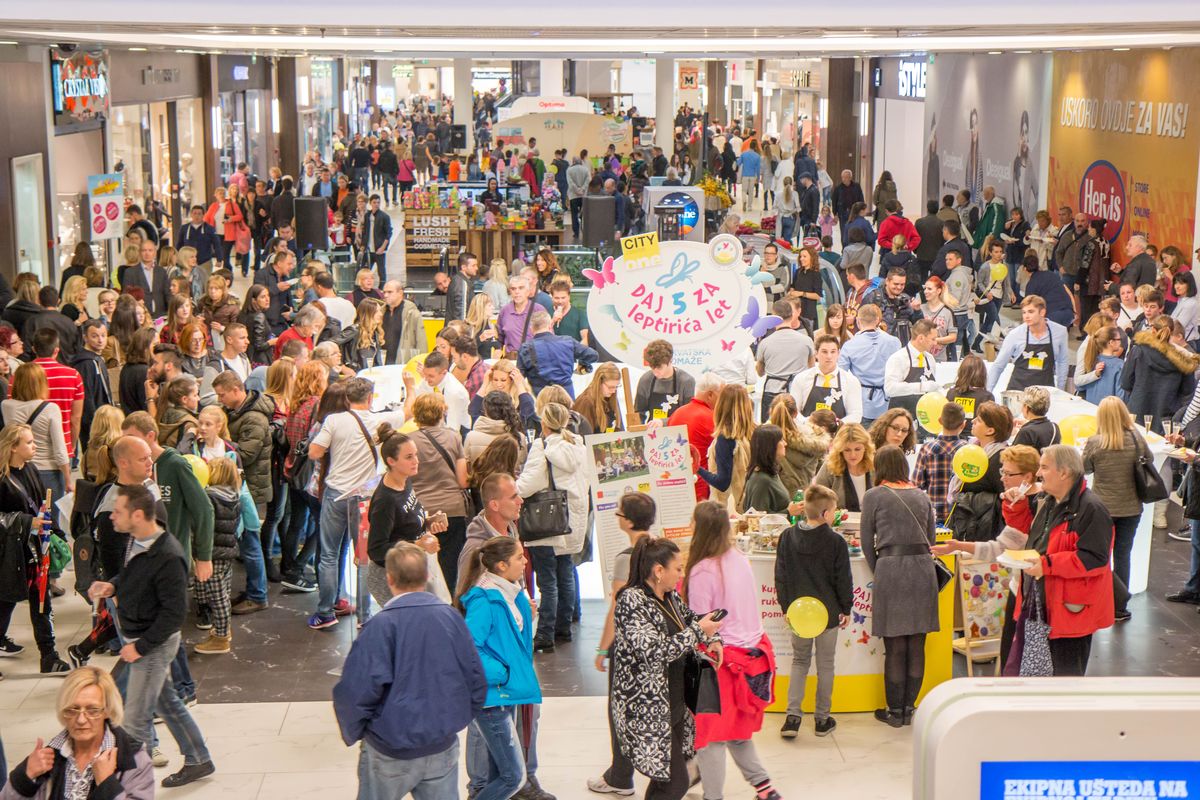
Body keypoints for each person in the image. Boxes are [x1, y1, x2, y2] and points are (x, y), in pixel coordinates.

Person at [333, 541, 487, 800]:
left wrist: (361, 732)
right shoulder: (451, 618)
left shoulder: (380, 626)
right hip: (441, 745)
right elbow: (475, 678)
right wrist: (453, 721)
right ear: (427, 576)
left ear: (389, 579)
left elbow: (355, 690)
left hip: (389, 748)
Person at [86, 484, 216, 787]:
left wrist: (140, 648)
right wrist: (113, 586)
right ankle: (199, 758)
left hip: (153, 644)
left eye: (118, 511)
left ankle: (132, 787)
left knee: (135, 721)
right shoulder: (138, 540)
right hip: (141, 638)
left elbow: (174, 614)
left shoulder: (169, 556)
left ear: (138, 515)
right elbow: (133, 575)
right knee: (166, 701)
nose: (112, 516)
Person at [610, 537, 723, 800]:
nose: (681, 575)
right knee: (676, 782)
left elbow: (691, 620)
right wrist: (699, 632)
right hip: (645, 709)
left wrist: (713, 637)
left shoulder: (669, 597)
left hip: (673, 703)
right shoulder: (631, 601)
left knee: (666, 781)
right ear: (659, 570)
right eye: (678, 569)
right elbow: (653, 652)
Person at [682, 501, 779, 800]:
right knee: (736, 731)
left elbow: (702, 626)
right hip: (754, 657)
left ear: (700, 528)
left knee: (709, 737)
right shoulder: (739, 558)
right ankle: (765, 789)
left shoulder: (702, 570)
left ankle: (713, 796)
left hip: (721, 662)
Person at [1007, 446, 1115, 676]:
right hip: (1041, 602)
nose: (1038, 473)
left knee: (1065, 681)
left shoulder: (1092, 509)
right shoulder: (1048, 500)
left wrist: (1047, 565)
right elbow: (1031, 535)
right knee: (1035, 675)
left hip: (1070, 612)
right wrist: (1015, 507)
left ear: (1064, 472)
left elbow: (1094, 559)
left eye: (1044, 467)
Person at [307, 377, 403, 629]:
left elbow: (314, 452)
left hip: (335, 494)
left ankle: (325, 612)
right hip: (365, 499)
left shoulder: (334, 420)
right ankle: (364, 616)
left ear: (347, 398)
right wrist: (411, 386)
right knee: (363, 558)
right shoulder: (381, 421)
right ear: (370, 398)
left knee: (329, 554)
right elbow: (411, 409)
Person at [456, 536, 541, 800]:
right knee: (513, 776)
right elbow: (469, 647)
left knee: (498, 772)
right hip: (493, 696)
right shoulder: (485, 600)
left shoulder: (509, 593)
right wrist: (501, 673)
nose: (524, 561)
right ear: (502, 565)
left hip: (505, 692)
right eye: (519, 557)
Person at [860, 444, 939, 727]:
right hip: (922, 570)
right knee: (917, 643)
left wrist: (881, 568)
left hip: (891, 568)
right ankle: (909, 709)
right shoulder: (921, 495)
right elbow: (931, 539)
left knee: (894, 645)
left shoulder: (873, 496)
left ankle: (894, 712)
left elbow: (866, 541)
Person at [0, 666, 154, 800]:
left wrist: (107, 785)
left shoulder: (134, 760)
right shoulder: (49, 758)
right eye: (72, 709)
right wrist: (24, 776)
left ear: (107, 710)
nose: (81, 720)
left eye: (92, 710)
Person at [589, 492, 655, 795]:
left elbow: (617, 610)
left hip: (628, 647)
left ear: (627, 521)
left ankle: (620, 776)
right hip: (656, 643)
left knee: (621, 710)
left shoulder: (625, 559)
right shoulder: (662, 551)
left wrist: (603, 649)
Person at [776, 484, 852, 739]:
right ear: (826, 513)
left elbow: (781, 577)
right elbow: (843, 579)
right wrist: (846, 607)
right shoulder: (836, 541)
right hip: (828, 612)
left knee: (799, 661)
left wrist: (786, 606)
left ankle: (792, 717)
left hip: (798, 613)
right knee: (825, 664)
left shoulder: (787, 537)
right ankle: (822, 719)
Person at [517, 402, 590, 652]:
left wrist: (513, 486)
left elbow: (528, 485)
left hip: (547, 521)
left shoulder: (543, 447)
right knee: (565, 574)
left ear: (544, 423)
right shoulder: (578, 446)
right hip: (572, 521)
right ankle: (563, 629)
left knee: (547, 581)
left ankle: (545, 634)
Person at [0, 424, 70, 673]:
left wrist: (56, 533)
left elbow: (43, 505)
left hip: (36, 548)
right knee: (6, 600)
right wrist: (28, 522)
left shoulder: (30, 469)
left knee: (41, 601)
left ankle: (49, 656)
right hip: (10, 553)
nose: (35, 446)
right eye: (29, 442)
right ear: (13, 447)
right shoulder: (2, 479)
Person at [365, 425, 449, 608]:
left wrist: (428, 522)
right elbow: (376, 549)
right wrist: (417, 544)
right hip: (391, 576)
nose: (416, 461)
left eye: (415, 455)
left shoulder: (404, 481)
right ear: (391, 461)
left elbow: (405, 521)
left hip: (410, 568)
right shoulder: (385, 501)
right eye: (409, 457)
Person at [1082, 397, 1143, 623]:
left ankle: (1099, 601)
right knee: (1123, 555)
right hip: (1131, 507)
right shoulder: (1136, 439)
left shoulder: (1095, 442)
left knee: (1100, 555)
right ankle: (1120, 606)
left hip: (1103, 509)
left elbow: (1084, 469)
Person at [407, 393, 471, 596]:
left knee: (423, 569)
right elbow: (463, 480)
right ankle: (449, 607)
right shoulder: (454, 437)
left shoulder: (408, 441)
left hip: (422, 511)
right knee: (450, 569)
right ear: (442, 412)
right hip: (453, 509)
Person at [2, 363, 71, 513]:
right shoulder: (50, 409)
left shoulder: (6, 406)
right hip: (49, 471)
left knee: (27, 516)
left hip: (19, 469)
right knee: (49, 518)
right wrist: (67, 478)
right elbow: (59, 448)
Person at [1122, 315, 1200, 433]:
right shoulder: (1184, 362)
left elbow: (1125, 383)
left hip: (1136, 414)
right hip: (1166, 420)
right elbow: (1187, 394)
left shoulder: (1138, 351)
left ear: (1153, 330)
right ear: (1172, 332)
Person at [987, 295, 1069, 392]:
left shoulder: (1060, 332)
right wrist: (988, 392)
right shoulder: (1015, 334)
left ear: (1042, 312)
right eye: (1024, 312)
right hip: (1018, 391)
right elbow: (998, 365)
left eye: (1031, 311)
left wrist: (1060, 390)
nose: (1026, 316)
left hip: (1045, 392)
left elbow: (1062, 362)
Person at [29, 329, 84, 468]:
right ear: (56, 350)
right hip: (62, 448)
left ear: (34, 349)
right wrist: (72, 446)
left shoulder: (20, 374)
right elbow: (75, 418)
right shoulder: (73, 375)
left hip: (29, 449)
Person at [517, 309, 599, 400]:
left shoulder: (526, 348)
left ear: (531, 328)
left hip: (541, 398)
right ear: (550, 325)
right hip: (566, 395)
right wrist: (583, 363)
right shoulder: (568, 342)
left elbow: (519, 377)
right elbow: (593, 355)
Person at [839, 304, 901, 426]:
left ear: (858, 321)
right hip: (890, 402)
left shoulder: (850, 345)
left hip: (863, 404)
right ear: (878, 320)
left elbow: (841, 375)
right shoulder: (894, 342)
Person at [698, 384, 756, 513]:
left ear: (721, 405)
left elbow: (722, 483)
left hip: (728, 511)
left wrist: (698, 469)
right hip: (750, 504)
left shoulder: (725, 439)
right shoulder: (753, 433)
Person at [756, 299, 814, 421]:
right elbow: (811, 369)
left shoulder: (765, 343)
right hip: (797, 393)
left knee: (770, 429)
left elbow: (760, 372)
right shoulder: (806, 341)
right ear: (792, 315)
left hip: (772, 392)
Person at [669, 372, 721, 502]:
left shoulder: (677, 413)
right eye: (721, 395)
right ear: (710, 394)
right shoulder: (711, 418)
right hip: (701, 486)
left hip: (675, 484)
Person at [789, 333, 863, 424]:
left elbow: (855, 414)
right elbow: (793, 411)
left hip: (839, 431)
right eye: (824, 352)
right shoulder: (801, 378)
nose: (829, 356)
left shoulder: (851, 381)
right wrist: (807, 422)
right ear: (816, 354)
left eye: (833, 352)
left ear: (838, 353)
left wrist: (838, 424)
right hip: (807, 431)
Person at [913, 402, 968, 525]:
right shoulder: (967, 450)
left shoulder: (927, 449)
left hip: (933, 514)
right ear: (963, 425)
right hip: (959, 515)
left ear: (939, 421)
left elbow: (917, 484)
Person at [883, 319, 940, 423]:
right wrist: (921, 387)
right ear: (921, 338)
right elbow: (890, 389)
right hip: (900, 419)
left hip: (924, 418)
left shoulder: (930, 359)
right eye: (933, 339)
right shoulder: (898, 358)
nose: (935, 343)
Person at [740, 424, 804, 516]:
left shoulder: (769, 474)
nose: (785, 443)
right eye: (781, 440)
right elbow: (757, 518)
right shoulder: (762, 480)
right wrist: (788, 512)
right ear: (770, 446)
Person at [633, 339, 695, 424]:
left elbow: (688, 415)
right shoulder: (646, 380)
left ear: (670, 361)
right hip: (653, 430)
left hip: (678, 430)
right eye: (652, 367)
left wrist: (664, 422)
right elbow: (638, 413)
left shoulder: (686, 382)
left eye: (659, 368)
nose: (655, 373)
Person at [1076, 325, 1126, 405]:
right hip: (1108, 409)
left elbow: (1080, 386)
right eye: (1119, 339)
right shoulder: (1119, 365)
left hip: (1090, 407)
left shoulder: (1091, 360)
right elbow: (1120, 395)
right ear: (1111, 342)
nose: (1120, 342)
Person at [1022, 254, 1076, 329]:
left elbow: (1028, 308)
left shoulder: (1031, 285)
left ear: (1025, 269)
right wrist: (1074, 311)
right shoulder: (1051, 274)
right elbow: (1068, 292)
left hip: (1052, 316)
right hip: (1068, 313)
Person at [381, 281, 427, 365]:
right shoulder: (380, 312)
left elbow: (421, 341)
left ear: (400, 293)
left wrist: (421, 363)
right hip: (382, 363)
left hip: (404, 363)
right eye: (384, 292)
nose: (386, 295)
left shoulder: (412, 313)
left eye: (390, 292)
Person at [573, 363, 624, 435]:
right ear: (599, 383)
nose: (613, 391)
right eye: (610, 387)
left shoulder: (611, 396)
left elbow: (619, 428)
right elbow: (583, 436)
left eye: (616, 387)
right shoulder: (586, 402)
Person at [944, 354, 993, 426]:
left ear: (961, 372)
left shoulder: (951, 394)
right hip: (977, 432)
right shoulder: (987, 397)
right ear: (982, 374)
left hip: (954, 432)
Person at [1012, 386, 1061, 452]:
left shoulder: (1026, 432)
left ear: (1026, 407)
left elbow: (1010, 456)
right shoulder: (1054, 427)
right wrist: (1028, 424)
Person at [446, 251, 479, 323]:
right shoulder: (462, 283)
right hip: (460, 327)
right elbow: (461, 312)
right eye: (473, 265)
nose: (476, 268)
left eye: (476, 265)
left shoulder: (459, 280)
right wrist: (463, 328)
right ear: (463, 267)